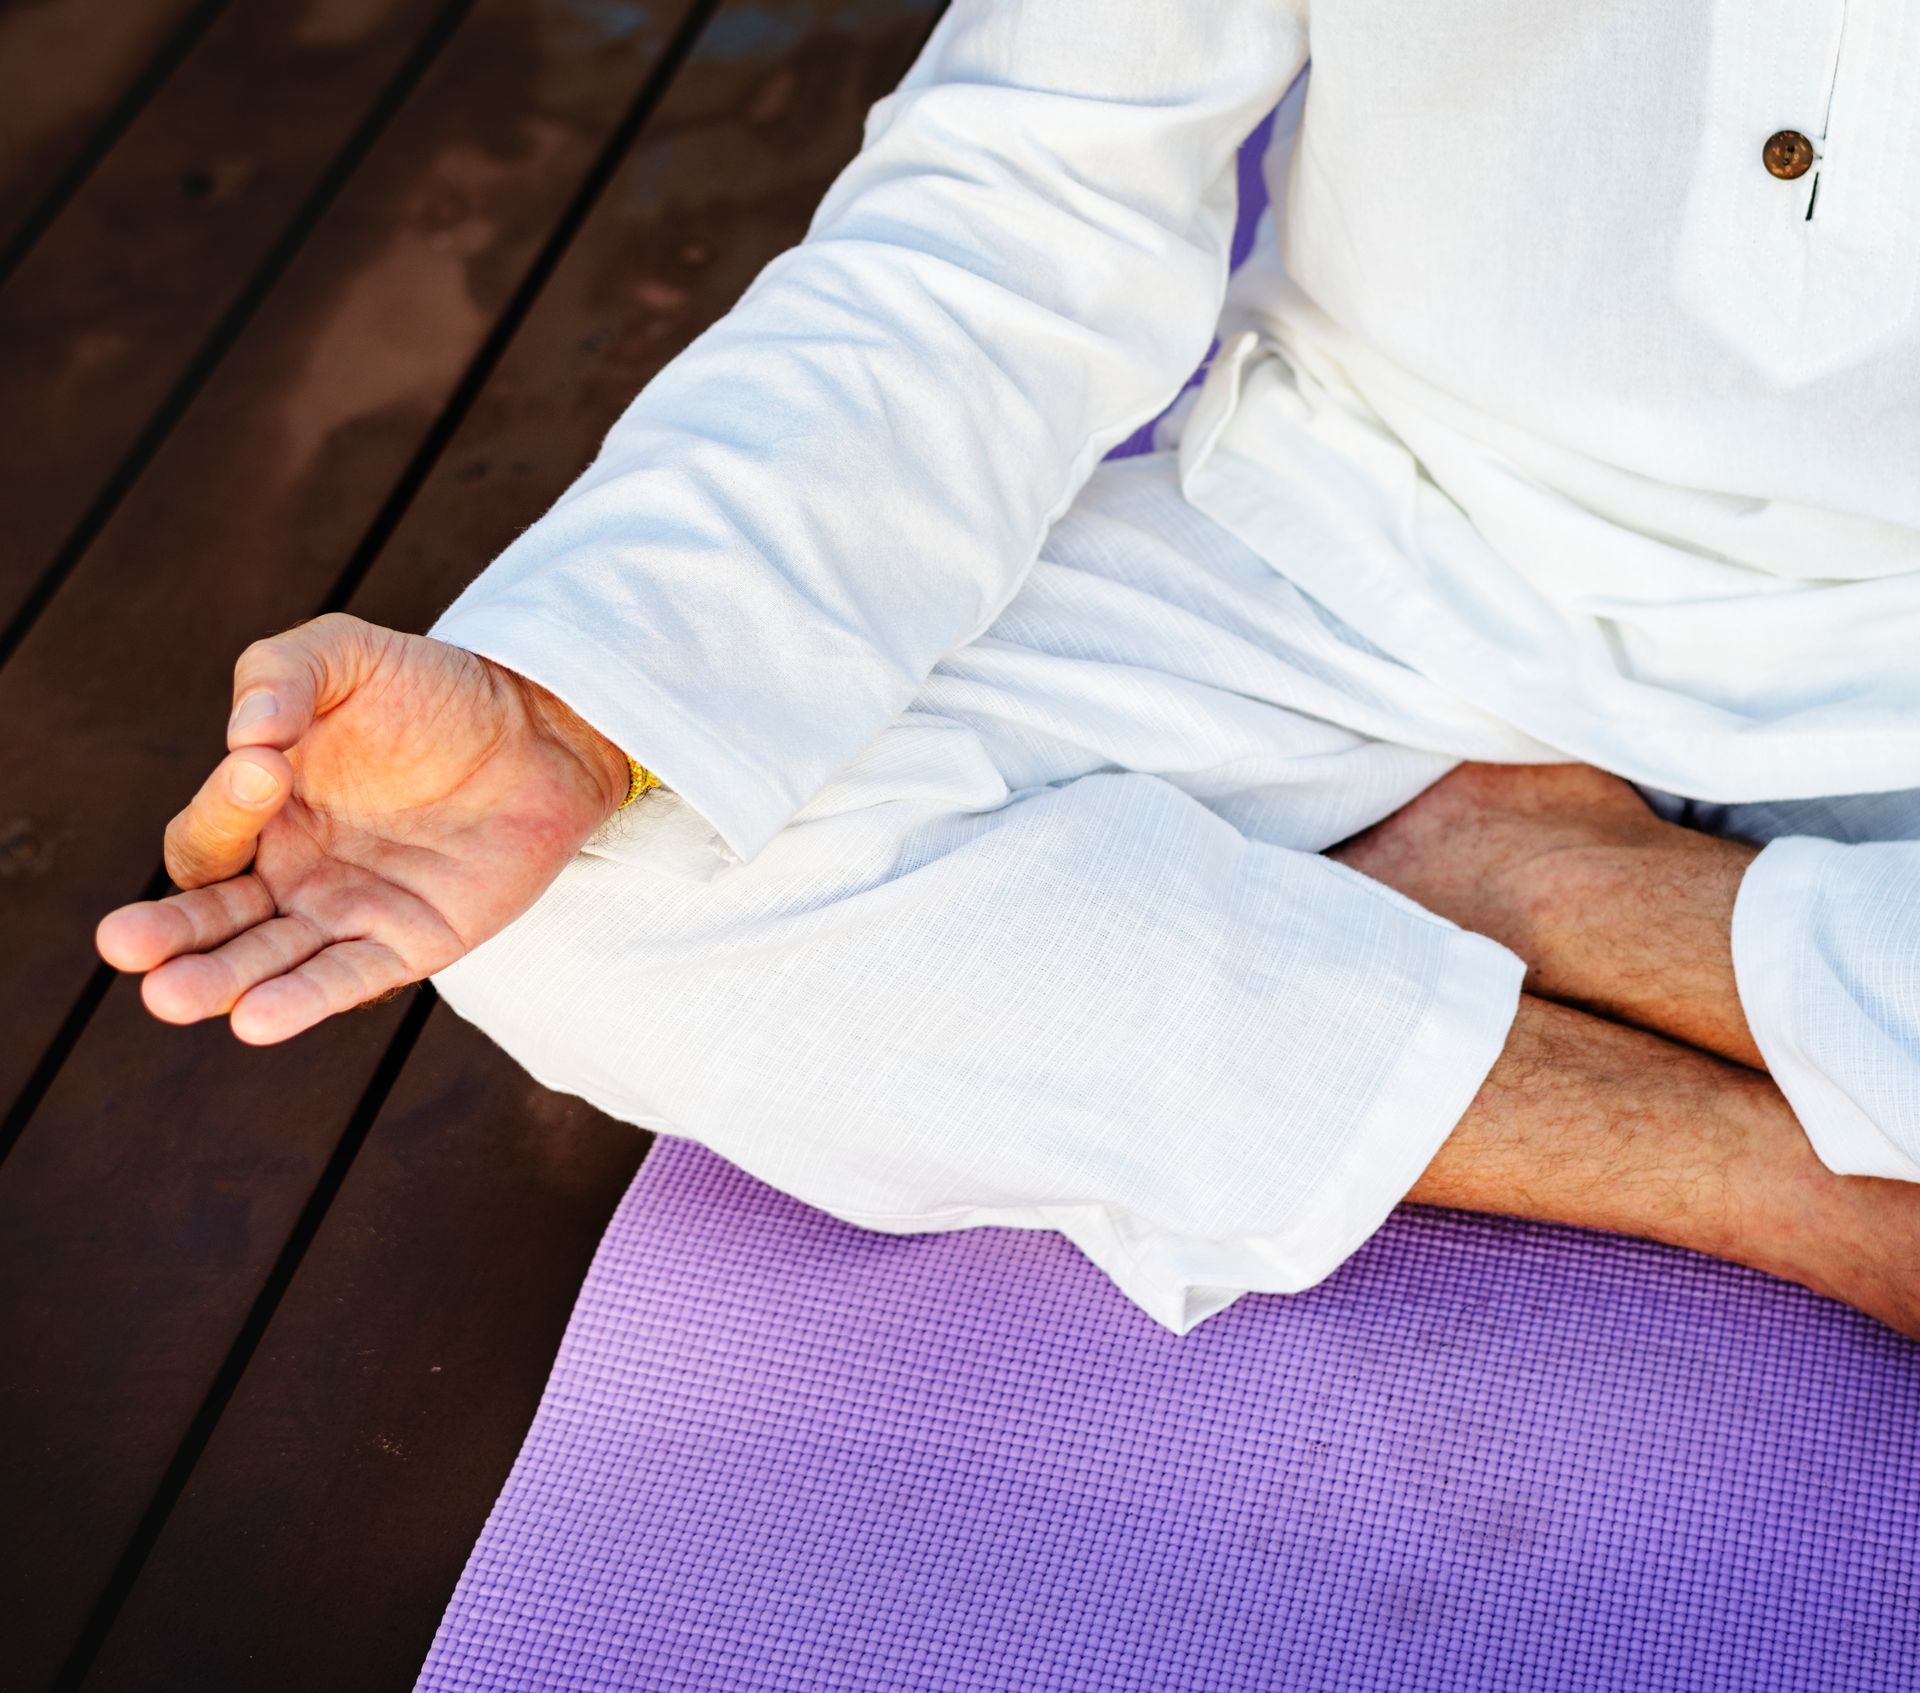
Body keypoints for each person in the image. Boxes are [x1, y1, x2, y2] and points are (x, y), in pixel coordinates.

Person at [96, 3, 1920, 1337]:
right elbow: (1023, 198)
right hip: (1368, 557)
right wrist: (578, 702)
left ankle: (1583, 892)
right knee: (580, 879)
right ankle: (1794, 1190)